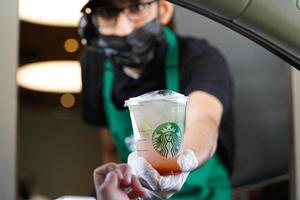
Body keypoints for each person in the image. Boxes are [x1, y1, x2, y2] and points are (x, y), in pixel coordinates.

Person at [79, 0, 234, 199]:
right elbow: (110, 147)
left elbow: (205, 122)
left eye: (137, 8)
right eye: (108, 13)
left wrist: (184, 161)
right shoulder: (94, 66)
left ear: (163, 9)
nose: (124, 28)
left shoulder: (199, 58)